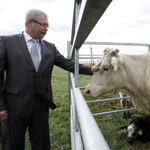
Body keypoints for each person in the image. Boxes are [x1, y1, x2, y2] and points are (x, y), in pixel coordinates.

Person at [0, 9, 100, 150]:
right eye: (43, 25)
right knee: (12, 144)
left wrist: (90, 69)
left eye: (47, 26)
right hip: (14, 105)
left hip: (41, 104)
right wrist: (1, 106)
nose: (46, 29)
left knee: (42, 143)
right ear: (30, 22)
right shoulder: (7, 42)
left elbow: (67, 63)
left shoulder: (50, 47)